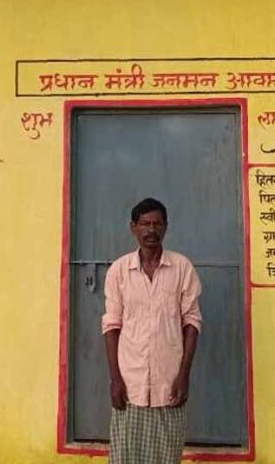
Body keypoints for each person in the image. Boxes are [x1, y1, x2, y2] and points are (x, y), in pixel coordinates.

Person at [102, 197, 202, 464]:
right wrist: (115, 379)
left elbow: (192, 323)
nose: (151, 230)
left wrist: (183, 376)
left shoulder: (182, 268)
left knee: (166, 457)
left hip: (169, 384)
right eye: (145, 223)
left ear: (166, 227)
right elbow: (112, 326)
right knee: (125, 457)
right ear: (133, 227)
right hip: (130, 384)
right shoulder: (119, 271)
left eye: (157, 224)